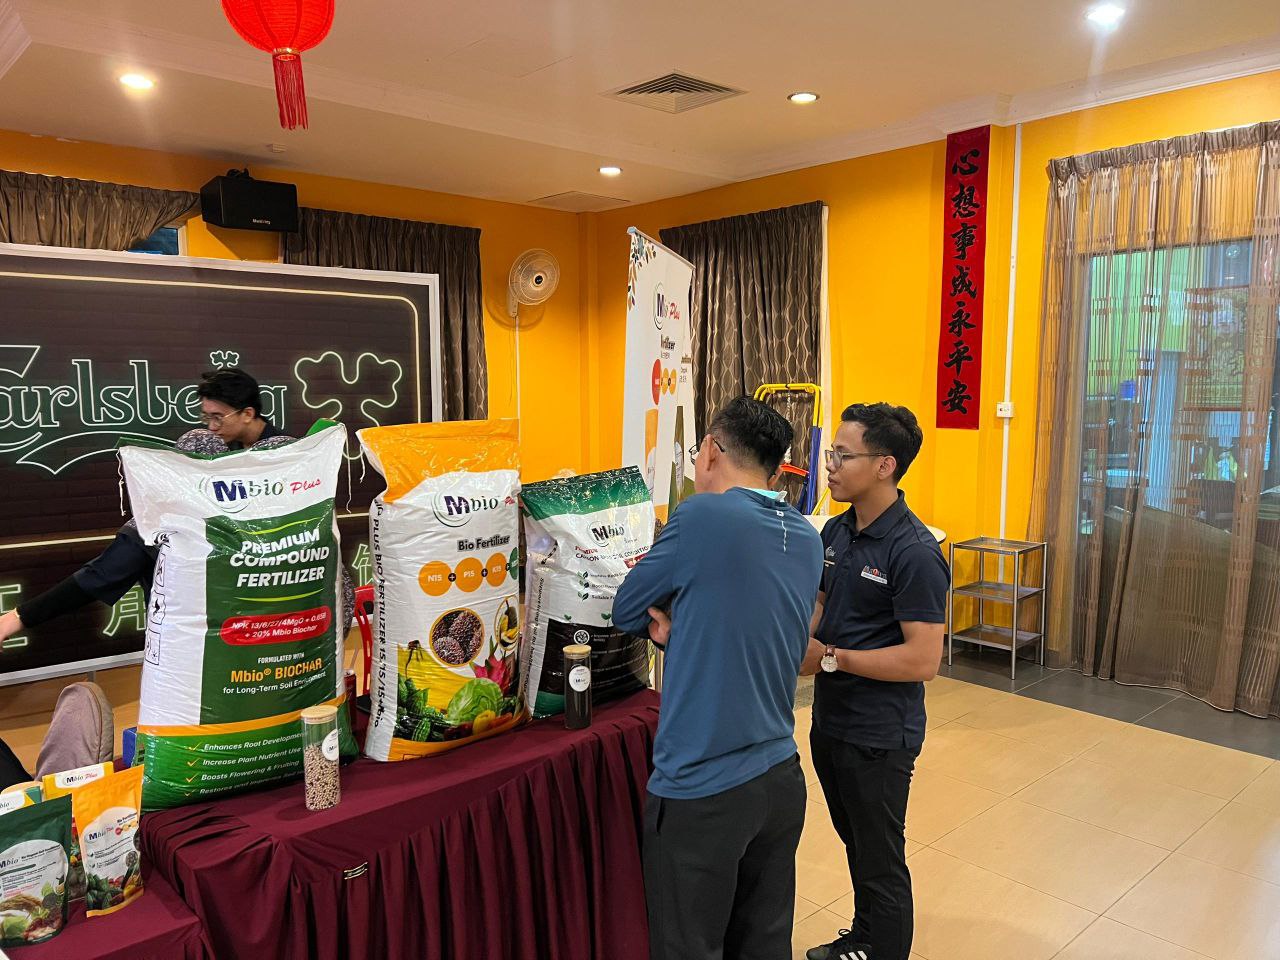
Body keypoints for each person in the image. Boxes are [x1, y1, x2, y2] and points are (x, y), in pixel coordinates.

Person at [613, 396, 823, 960]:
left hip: (703, 784)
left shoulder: (702, 516)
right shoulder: (807, 538)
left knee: (688, 946)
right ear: (776, 468)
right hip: (780, 776)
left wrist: (672, 627)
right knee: (762, 944)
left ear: (709, 450)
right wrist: (690, 627)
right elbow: (759, 625)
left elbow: (627, 607)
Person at [800, 403, 949, 960]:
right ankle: (864, 938)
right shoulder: (837, 530)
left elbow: (922, 660)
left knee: (880, 856)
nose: (830, 465)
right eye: (830, 453)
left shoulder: (914, 552)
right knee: (857, 843)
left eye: (843, 455)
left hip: (879, 734)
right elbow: (820, 604)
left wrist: (830, 657)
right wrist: (795, 644)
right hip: (832, 720)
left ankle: (880, 948)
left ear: (885, 465)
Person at [0, 368, 294, 642]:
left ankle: (18, 619)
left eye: (218, 417)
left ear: (247, 413)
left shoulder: (287, 456)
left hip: (266, 589)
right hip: (199, 591)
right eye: (206, 417)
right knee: (142, 541)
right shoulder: (207, 447)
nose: (211, 426)